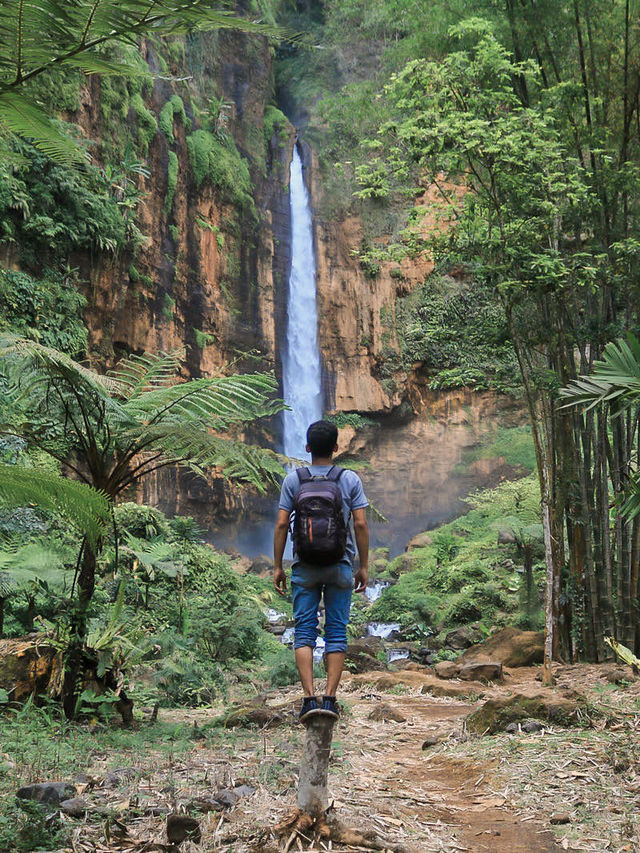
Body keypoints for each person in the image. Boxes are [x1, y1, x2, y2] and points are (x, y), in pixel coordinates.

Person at [273, 419, 369, 721]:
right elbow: (361, 524)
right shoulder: (349, 479)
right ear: (337, 448)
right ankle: (329, 699)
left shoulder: (293, 480)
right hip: (340, 565)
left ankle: (307, 699)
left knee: (303, 633)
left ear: (307, 448)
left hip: (305, 567)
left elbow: (280, 524)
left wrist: (278, 566)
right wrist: (363, 566)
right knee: (336, 632)